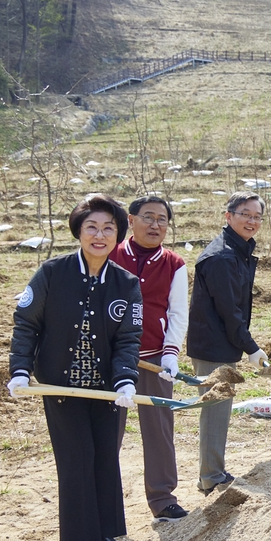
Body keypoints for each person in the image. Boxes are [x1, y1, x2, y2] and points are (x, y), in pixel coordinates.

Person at [7, 194, 143, 541]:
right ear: (79, 232)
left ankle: (103, 537)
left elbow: (129, 338)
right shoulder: (52, 272)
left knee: (104, 458)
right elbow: (27, 323)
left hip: (105, 391)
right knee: (76, 459)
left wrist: (126, 380)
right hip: (61, 388)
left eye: (108, 228)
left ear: (118, 235)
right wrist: (20, 369)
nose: (99, 235)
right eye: (91, 228)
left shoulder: (126, 283)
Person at [110, 196, 189, 522]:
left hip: (153, 358)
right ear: (131, 220)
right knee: (106, 430)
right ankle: (106, 501)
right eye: (148, 218)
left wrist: (171, 353)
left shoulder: (174, 263)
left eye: (162, 220)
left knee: (158, 428)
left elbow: (177, 313)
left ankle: (162, 498)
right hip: (110, 358)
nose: (155, 225)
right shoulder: (110, 254)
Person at [187, 191, 268, 494]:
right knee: (215, 410)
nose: (252, 221)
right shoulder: (222, 256)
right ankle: (211, 477)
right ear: (228, 216)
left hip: (223, 343)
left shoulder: (239, 251)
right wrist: (251, 347)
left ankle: (212, 472)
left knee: (218, 409)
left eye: (257, 216)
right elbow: (229, 312)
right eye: (245, 214)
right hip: (213, 346)